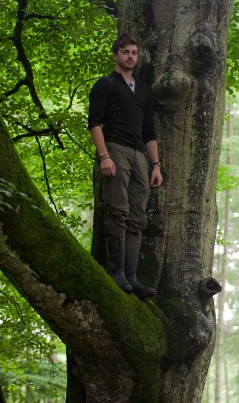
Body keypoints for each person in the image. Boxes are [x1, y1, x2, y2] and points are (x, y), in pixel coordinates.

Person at [87, 33, 162, 297]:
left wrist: (155, 164)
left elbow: (149, 131)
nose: (131, 56)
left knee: (137, 217)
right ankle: (116, 272)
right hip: (115, 148)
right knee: (117, 210)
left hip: (140, 154)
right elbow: (94, 123)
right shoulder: (105, 84)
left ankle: (132, 277)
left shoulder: (142, 90)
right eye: (126, 52)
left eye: (134, 53)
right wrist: (104, 156)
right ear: (116, 55)